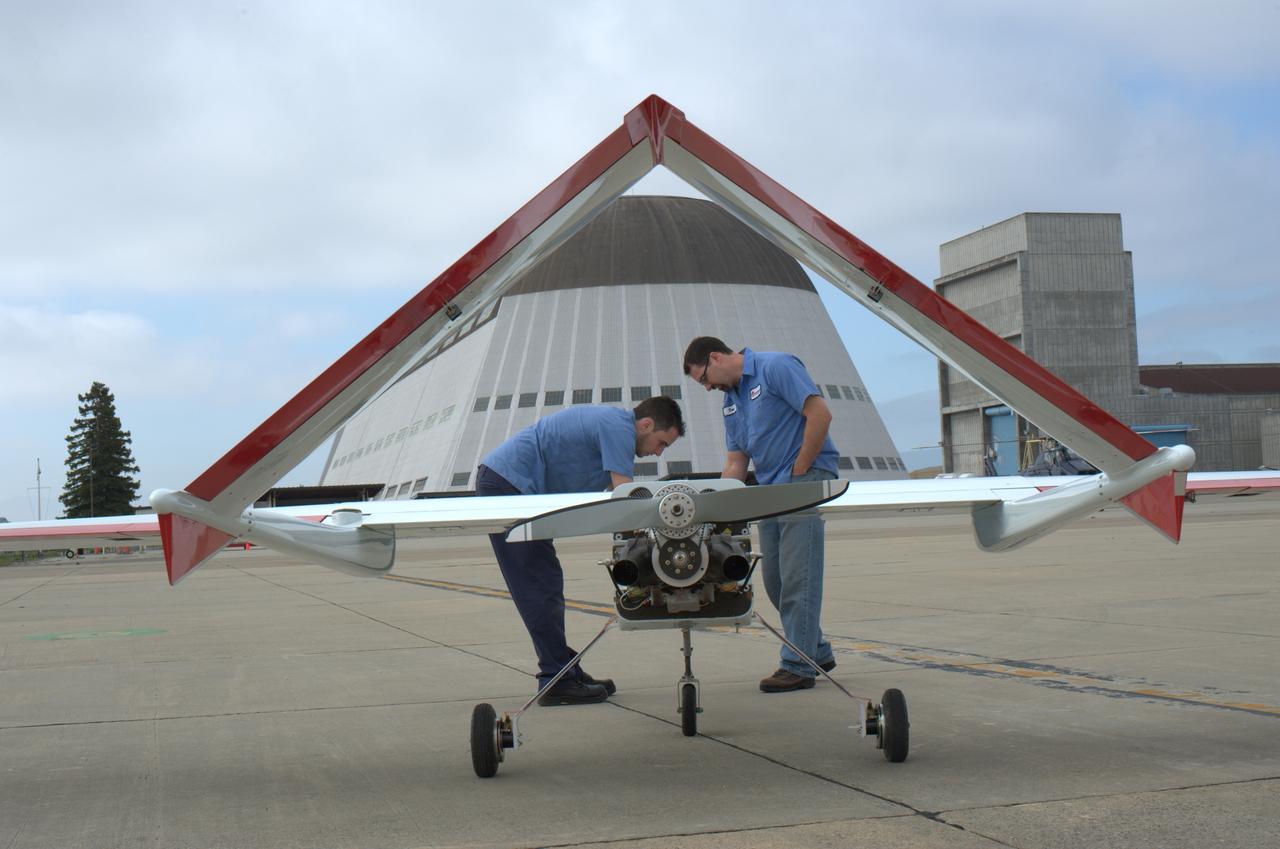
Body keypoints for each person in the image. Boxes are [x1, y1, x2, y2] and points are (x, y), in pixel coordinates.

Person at [476, 396, 686, 705]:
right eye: (662, 443)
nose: (657, 452)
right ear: (646, 425)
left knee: (547, 581)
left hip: (519, 490)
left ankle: (563, 670)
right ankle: (555, 679)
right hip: (510, 487)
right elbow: (624, 495)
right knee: (537, 585)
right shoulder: (618, 428)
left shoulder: (613, 426)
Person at [682, 337, 839, 692]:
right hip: (769, 491)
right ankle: (817, 650)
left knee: (800, 575)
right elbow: (736, 462)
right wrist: (715, 507)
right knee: (775, 580)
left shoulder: (775, 366)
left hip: (802, 481)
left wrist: (800, 472)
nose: (707, 388)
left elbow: (820, 414)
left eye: (703, 379)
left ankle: (798, 664)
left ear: (715, 357)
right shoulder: (730, 403)